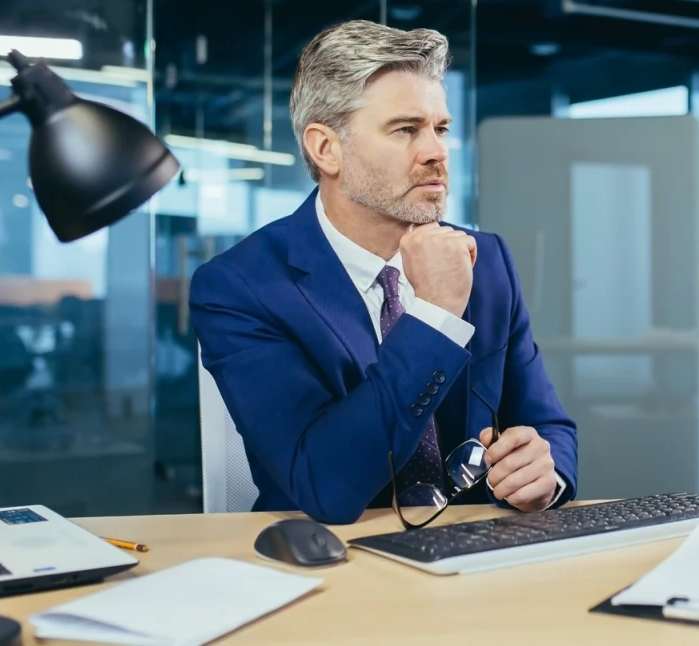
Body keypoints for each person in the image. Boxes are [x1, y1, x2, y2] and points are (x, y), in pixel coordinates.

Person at [188, 20, 578, 525]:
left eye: (440, 128)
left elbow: (548, 426)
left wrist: (545, 474)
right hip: (329, 555)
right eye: (405, 129)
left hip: (473, 549)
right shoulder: (240, 287)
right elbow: (326, 486)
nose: (437, 152)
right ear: (326, 149)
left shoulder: (486, 258)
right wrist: (435, 314)